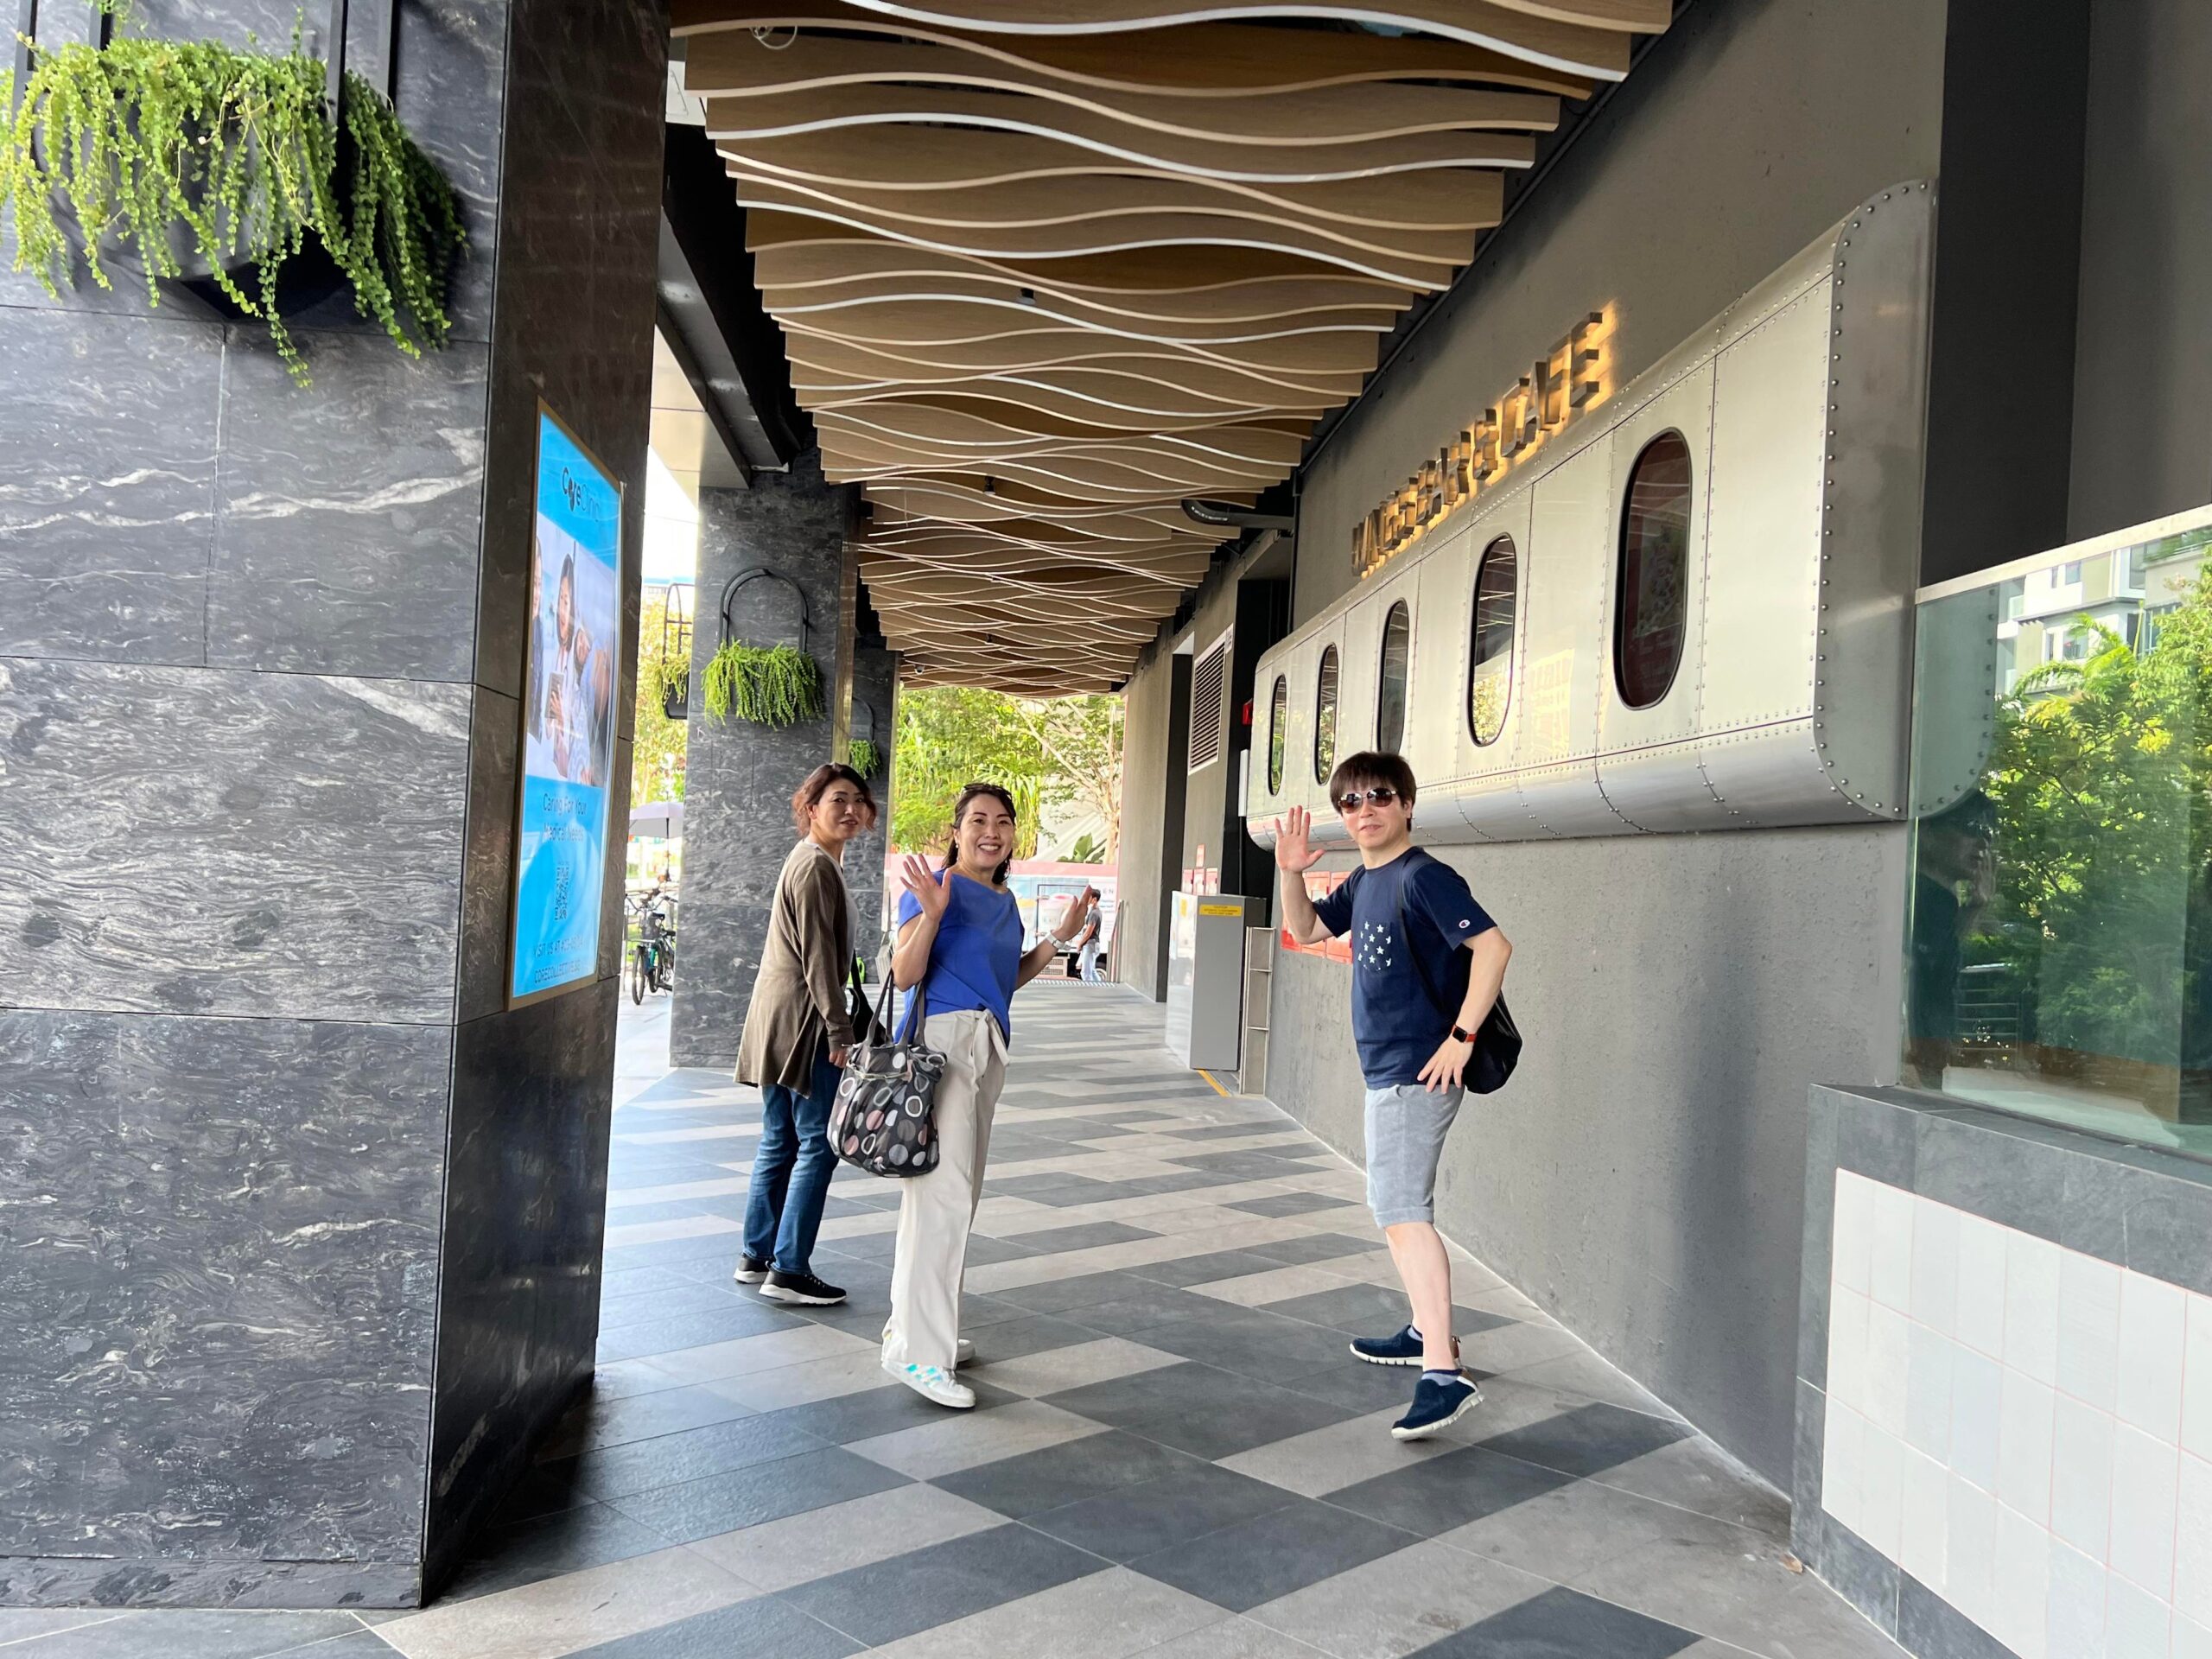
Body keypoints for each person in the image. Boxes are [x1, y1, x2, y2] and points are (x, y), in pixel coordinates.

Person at [1274, 751, 1512, 1440]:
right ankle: (1422, 1331)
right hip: (1387, 1067)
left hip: (1417, 1069)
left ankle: (1442, 1371)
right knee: (1394, 1207)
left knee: (1405, 1212)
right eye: (1351, 801)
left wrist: (1462, 1038)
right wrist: (1290, 872)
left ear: (1408, 804)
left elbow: (1494, 949)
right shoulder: (1366, 878)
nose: (1365, 810)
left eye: (1380, 796)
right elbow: (1305, 929)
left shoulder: (1424, 876)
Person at [882, 783, 1095, 1407]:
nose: (991, 832)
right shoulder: (934, 888)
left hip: (986, 1046)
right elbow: (904, 974)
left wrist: (1059, 938)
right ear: (956, 830)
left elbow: (1006, 979)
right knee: (942, 1197)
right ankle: (921, 1353)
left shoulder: (1005, 900)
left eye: (1003, 821)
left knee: (954, 1197)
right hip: (942, 1048)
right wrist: (931, 914)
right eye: (978, 820)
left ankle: (913, 1330)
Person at [733, 764, 879, 1306]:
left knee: (781, 1138)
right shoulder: (816, 866)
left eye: (858, 800)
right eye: (837, 799)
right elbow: (819, 958)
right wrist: (839, 1030)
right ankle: (790, 1270)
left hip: (776, 1018)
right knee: (818, 1143)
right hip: (805, 1024)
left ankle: (757, 1254)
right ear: (811, 808)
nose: (850, 810)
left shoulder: (810, 859)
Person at [1073, 887, 1103, 981]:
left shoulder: (1094, 913)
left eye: (1089, 897)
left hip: (1090, 944)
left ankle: (1089, 989)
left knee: (1086, 973)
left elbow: (1088, 932)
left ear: (1094, 899)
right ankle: (1101, 987)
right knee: (1092, 971)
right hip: (1093, 943)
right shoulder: (1096, 911)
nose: (1087, 899)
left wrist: (1080, 944)